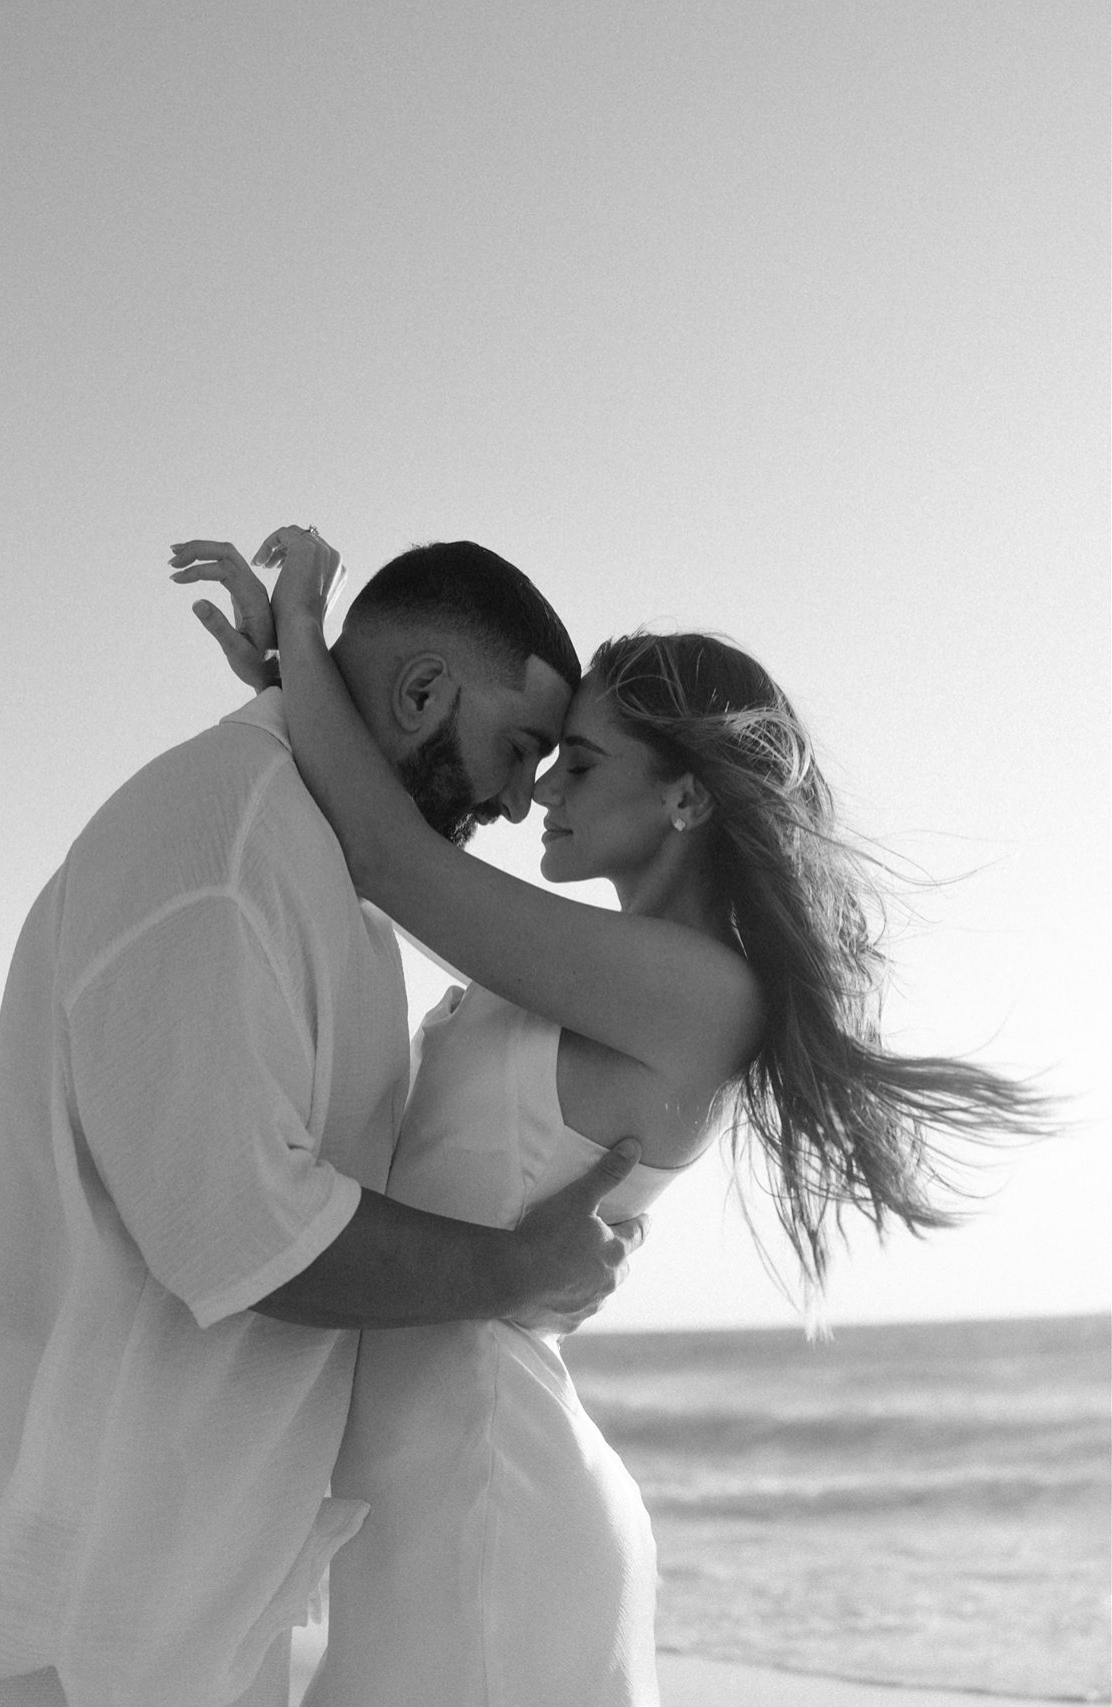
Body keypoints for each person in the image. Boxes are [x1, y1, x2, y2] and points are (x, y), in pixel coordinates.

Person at [177, 525, 1047, 1707]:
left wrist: (303, 638)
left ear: (684, 793)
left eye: (578, 764)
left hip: (488, 1509)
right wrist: (313, 684)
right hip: (430, 1505)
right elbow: (382, 833)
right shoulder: (597, 963)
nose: (537, 785)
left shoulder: (698, 987)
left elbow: (383, 853)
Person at [0, 536, 650, 1707]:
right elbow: (243, 1235)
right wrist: (513, 1267)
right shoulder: (218, 846)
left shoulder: (313, 860)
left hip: (194, 1575)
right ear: (424, 692)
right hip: (76, 1596)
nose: (515, 797)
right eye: (519, 747)